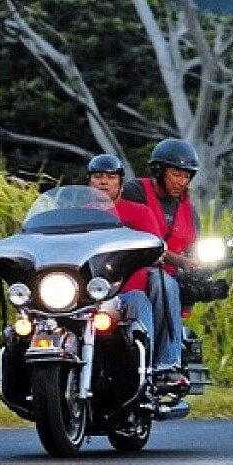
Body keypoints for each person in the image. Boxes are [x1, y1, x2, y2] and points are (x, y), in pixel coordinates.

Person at [122, 137, 203, 390]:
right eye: (176, 174)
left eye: (187, 176)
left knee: (168, 282)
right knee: (162, 282)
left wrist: (199, 265)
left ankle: (169, 363)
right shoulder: (135, 192)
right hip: (134, 269)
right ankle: (167, 365)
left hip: (169, 274)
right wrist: (181, 261)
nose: (182, 181)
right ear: (158, 170)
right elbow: (138, 240)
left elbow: (193, 248)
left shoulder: (188, 209)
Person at [87, 154, 162, 368]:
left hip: (128, 291)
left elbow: (157, 250)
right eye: (98, 176)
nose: (103, 182)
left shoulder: (140, 213)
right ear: (89, 182)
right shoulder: (79, 215)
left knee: (139, 303)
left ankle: (146, 369)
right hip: (87, 295)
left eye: (111, 177)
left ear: (120, 182)